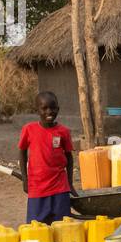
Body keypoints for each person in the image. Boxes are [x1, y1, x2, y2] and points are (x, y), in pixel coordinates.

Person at [17, 91, 76, 224]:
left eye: (53, 108)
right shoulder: (29, 129)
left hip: (60, 187)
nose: (49, 112)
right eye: (44, 108)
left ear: (58, 109)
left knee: (62, 226)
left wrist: (70, 183)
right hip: (37, 188)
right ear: (37, 110)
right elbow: (22, 153)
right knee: (36, 228)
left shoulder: (63, 132)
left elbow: (69, 158)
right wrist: (25, 180)